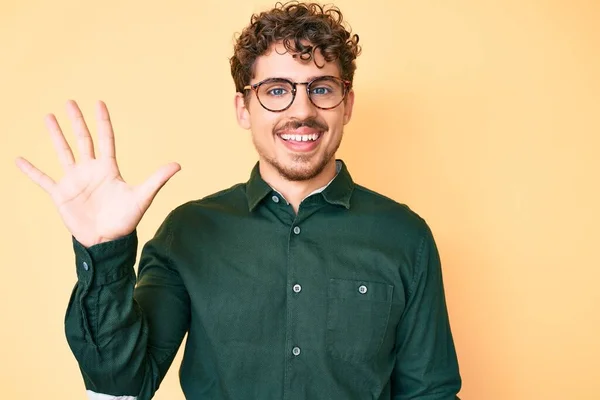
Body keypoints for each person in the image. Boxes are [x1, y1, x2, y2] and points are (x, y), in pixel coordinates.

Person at [15, 2, 461, 399]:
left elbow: (430, 393)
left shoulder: (405, 237)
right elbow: (123, 384)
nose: (301, 111)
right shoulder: (188, 232)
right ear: (243, 109)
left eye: (321, 88)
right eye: (276, 90)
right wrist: (104, 252)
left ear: (346, 104)